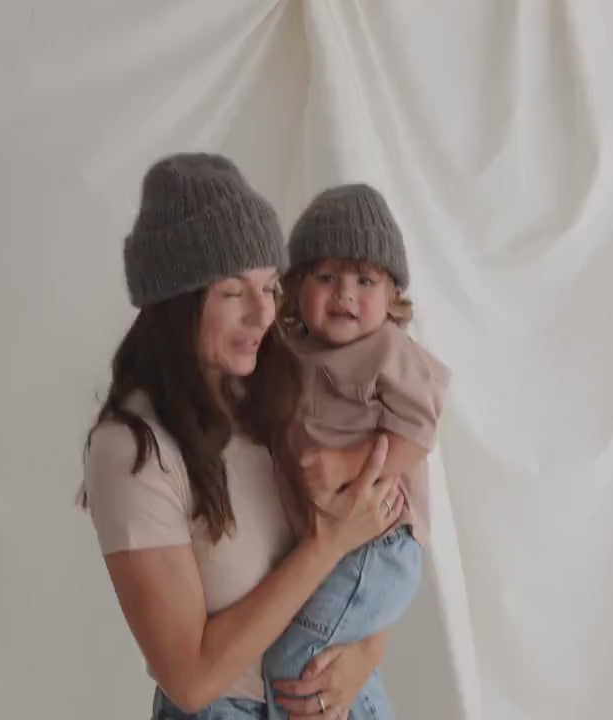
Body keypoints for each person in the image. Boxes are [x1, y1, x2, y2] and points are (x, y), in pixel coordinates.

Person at [79, 153, 406, 720]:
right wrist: (328, 541)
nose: (262, 314)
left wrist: (364, 654)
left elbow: (369, 555)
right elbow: (191, 680)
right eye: (234, 292)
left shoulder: (274, 395)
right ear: (175, 302)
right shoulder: (132, 450)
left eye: (270, 287)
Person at [262, 183, 451, 720]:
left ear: (391, 296)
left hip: (379, 542)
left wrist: (348, 464)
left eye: (364, 280)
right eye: (326, 277)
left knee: (295, 662)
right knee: (330, 663)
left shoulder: (389, 350)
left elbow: (420, 431)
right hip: (327, 544)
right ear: (296, 287)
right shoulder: (289, 353)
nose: (344, 294)